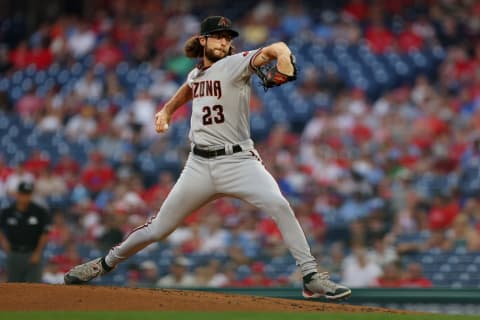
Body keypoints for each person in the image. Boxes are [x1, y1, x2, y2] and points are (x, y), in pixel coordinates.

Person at [64, 15, 351, 300]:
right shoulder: (197, 73)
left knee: (279, 204)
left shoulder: (234, 64)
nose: (224, 41)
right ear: (203, 40)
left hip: (239, 162)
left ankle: (311, 275)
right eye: (218, 36)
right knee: (158, 229)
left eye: (228, 37)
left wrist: (285, 57)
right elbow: (189, 87)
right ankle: (103, 264)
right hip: (198, 165)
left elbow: (275, 48)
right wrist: (166, 110)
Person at [0, 181, 52, 282]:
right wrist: (4, 242)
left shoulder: (40, 211)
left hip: (32, 253)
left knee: (33, 287)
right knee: (13, 286)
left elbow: (44, 233)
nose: (25, 197)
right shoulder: (7, 211)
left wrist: (38, 252)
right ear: (18, 194)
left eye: (27, 194)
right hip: (14, 253)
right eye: (23, 194)